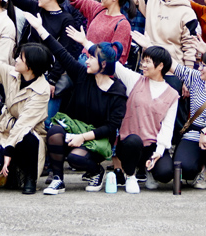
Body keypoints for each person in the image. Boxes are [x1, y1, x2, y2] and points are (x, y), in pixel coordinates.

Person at [17, 12, 128, 194]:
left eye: (92, 57)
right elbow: (61, 52)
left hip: (95, 140)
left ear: (103, 64)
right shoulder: (82, 75)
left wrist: (82, 138)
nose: (87, 59)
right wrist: (40, 29)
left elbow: (111, 127)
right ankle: (58, 180)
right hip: (72, 131)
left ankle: (96, 171)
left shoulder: (118, 91)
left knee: (78, 158)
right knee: (54, 131)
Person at [144, 42, 206, 194]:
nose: (200, 68)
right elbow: (172, 64)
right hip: (193, 134)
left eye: (204, 66)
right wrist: (151, 47)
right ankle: (202, 170)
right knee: (183, 168)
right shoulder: (196, 78)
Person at [99, 42, 179, 194]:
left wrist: (159, 152)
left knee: (165, 173)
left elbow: (167, 127)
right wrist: (85, 42)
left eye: (147, 62)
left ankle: (149, 169)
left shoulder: (172, 95)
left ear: (160, 66)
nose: (143, 65)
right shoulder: (135, 80)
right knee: (133, 141)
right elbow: (114, 65)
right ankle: (130, 175)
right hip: (129, 143)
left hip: (152, 145)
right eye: (143, 61)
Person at [0, 41, 53, 194]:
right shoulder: (12, 74)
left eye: (21, 58)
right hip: (5, 128)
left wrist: (8, 152)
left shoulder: (42, 89)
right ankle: (11, 171)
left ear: (30, 66)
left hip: (29, 131)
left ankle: (30, 178)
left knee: (27, 138)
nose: (16, 59)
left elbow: (23, 124)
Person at [124, 0, 199, 68]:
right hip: (147, 67)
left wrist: (187, 76)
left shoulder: (187, 13)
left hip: (172, 71)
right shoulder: (151, 1)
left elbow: (190, 48)